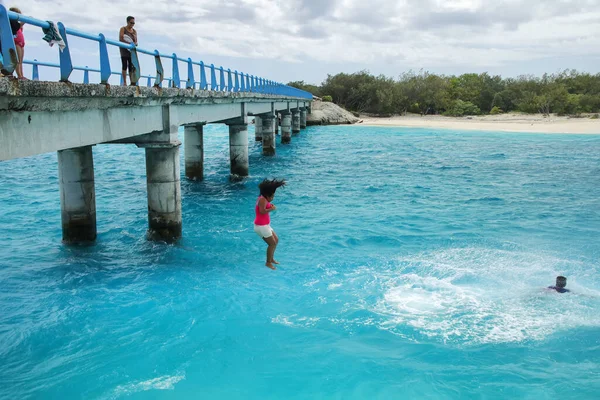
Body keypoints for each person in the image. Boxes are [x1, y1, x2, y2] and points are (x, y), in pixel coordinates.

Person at [253, 179, 286, 270]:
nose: (273, 198)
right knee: (272, 244)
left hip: (265, 225)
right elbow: (262, 211)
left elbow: (264, 208)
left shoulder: (263, 198)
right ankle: (268, 262)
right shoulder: (262, 200)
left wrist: (270, 206)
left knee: (276, 240)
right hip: (261, 226)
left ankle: (271, 259)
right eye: (272, 196)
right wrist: (272, 209)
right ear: (267, 195)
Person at [119, 16, 137, 86]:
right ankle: (124, 82)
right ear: (127, 22)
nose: (132, 24)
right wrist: (129, 44)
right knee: (124, 65)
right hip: (124, 49)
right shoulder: (123, 29)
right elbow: (121, 39)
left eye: (133, 23)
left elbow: (136, 41)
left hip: (131, 51)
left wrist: (134, 44)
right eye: (131, 23)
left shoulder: (134, 31)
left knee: (131, 66)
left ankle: (131, 82)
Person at [9, 7, 25, 80]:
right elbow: (15, 29)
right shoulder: (12, 24)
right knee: (17, 60)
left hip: (21, 43)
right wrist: (22, 24)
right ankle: (19, 75)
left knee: (21, 61)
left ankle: (22, 75)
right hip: (16, 42)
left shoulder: (17, 25)